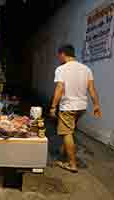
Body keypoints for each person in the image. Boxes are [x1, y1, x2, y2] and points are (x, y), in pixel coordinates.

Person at [50, 44, 102, 173]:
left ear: (62, 54)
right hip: (81, 107)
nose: (58, 58)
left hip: (68, 107)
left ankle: (72, 164)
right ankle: (63, 152)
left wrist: (53, 106)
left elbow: (60, 89)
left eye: (59, 56)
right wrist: (96, 105)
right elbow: (91, 89)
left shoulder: (61, 69)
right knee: (70, 130)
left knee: (67, 132)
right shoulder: (86, 69)